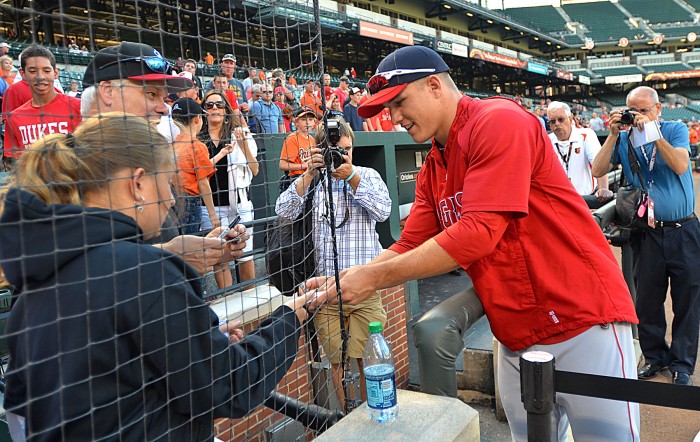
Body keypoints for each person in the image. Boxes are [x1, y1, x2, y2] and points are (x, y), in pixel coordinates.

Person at [307, 46, 640, 441]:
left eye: (399, 101)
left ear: (434, 85)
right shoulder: (435, 162)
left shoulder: (498, 120)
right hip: (516, 334)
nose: (392, 116)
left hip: (582, 319)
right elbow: (409, 242)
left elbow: (479, 231)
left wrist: (374, 276)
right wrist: (352, 277)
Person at [0, 114, 311, 441]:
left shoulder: (34, 282)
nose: (172, 199)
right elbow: (232, 385)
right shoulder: (142, 270)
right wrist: (291, 316)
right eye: (168, 183)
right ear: (138, 183)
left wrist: (198, 338)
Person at [80, 41, 239, 277]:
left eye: (164, 98)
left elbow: (162, 247)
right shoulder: (66, 167)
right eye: (151, 94)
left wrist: (208, 252)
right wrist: (168, 256)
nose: (164, 108)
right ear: (107, 92)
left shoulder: (147, 162)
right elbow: (72, 271)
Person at [276, 120, 390, 409]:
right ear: (320, 150)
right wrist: (311, 172)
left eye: (347, 150)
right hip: (326, 289)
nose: (342, 156)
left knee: (370, 357)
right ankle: (347, 415)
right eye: (335, 151)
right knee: (336, 362)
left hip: (364, 286)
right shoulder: (314, 182)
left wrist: (350, 176)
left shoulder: (366, 174)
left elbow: (383, 211)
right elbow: (283, 211)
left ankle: (372, 411)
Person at [592, 86, 700, 387]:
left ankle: (682, 364)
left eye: (643, 110)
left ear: (658, 110)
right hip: (647, 234)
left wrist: (653, 132)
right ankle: (655, 357)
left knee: (688, 301)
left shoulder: (675, 129)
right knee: (648, 301)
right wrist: (613, 134)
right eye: (631, 108)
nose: (636, 115)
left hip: (683, 230)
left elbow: (680, 165)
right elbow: (598, 168)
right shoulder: (624, 138)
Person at [200, 90, 259, 288]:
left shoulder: (239, 134)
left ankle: (250, 302)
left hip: (239, 204)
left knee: (244, 255)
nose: (214, 108)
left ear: (226, 109)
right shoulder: (198, 138)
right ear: (204, 110)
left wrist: (243, 145)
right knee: (219, 258)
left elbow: (255, 169)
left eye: (219, 104)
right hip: (210, 207)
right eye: (209, 105)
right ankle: (228, 300)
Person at [3, 45, 81, 162]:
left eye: (46, 71)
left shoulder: (78, 107)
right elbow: (15, 164)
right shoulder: (14, 118)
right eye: (33, 71)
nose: (40, 77)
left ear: (55, 73)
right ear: (23, 73)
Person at [171, 97, 226, 234]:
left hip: (173, 200)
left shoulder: (173, 145)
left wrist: (222, 154)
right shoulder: (196, 146)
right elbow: (203, 182)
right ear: (197, 119)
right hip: (190, 203)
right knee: (189, 247)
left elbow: (199, 169)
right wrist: (212, 215)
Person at [547, 101, 613, 209]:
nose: (557, 124)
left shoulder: (586, 135)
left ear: (570, 119)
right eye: (552, 122)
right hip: (559, 202)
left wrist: (603, 189)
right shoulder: (547, 140)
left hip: (586, 200)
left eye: (561, 119)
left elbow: (599, 164)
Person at [279, 106, 317, 185]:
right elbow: (283, 165)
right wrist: (305, 165)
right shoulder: (292, 138)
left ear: (314, 122)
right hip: (296, 178)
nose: (307, 123)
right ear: (296, 122)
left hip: (310, 177)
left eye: (310, 120)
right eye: (303, 119)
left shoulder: (312, 139)